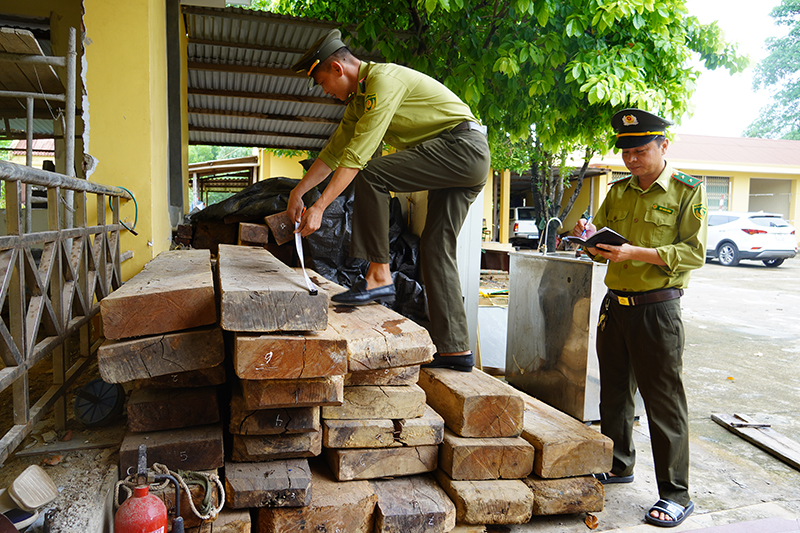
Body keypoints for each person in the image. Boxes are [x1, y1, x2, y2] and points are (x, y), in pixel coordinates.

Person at [287, 30, 491, 372]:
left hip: (463, 149)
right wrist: (298, 192)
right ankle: (456, 350)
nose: (326, 93)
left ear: (338, 68)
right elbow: (335, 152)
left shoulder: (383, 81)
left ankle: (379, 276)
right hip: (455, 156)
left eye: (324, 84)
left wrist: (320, 206)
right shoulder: (358, 100)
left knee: (373, 175)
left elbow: (357, 157)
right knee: (436, 246)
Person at [571, 108, 707, 527]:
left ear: (663, 145)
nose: (632, 159)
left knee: (663, 402)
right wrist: (589, 239)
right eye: (627, 151)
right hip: (616, 305)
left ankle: (675, 494)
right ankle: (619, 464)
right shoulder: (617, 190)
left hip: (657, 310)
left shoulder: (687, 191)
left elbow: (693, 253)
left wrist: (636, 253)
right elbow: (603, 241)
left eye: (641, 150)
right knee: (613, 393)